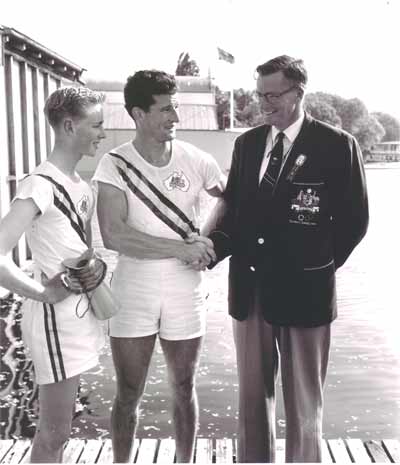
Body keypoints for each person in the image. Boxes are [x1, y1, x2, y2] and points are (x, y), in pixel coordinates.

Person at [207, 55, 369, 463]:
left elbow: (354, 222)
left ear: (299, 93)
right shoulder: (246, 144)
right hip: (249, 289)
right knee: (251, 400)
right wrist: (208, 247)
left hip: (305, 292)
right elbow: (236, 211)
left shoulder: (337, 145)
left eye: (273, 95)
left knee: (303, 405)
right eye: (259, 95)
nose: (263, 104)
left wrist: (317, 267)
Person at [92, 70, 225, 463]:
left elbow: (231, 199)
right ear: (138, 113)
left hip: (186, 289)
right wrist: (180, 248)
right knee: (128, 391)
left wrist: (211, 240)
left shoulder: (196, 159)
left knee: (184, 386)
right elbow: (114, 235)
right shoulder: (114, 164)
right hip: (134, 287)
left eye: (177, 108)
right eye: (166, 109)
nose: (176, 117)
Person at [0, 86, 107, 463]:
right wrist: (41, 292)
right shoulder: (40, 185)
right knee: (55, 431)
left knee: (62, 429)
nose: (103, 134)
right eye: (96, 125)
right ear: (67, 125)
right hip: (53, 321)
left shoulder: (80, 186)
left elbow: (79, 250)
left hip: (77, 317)